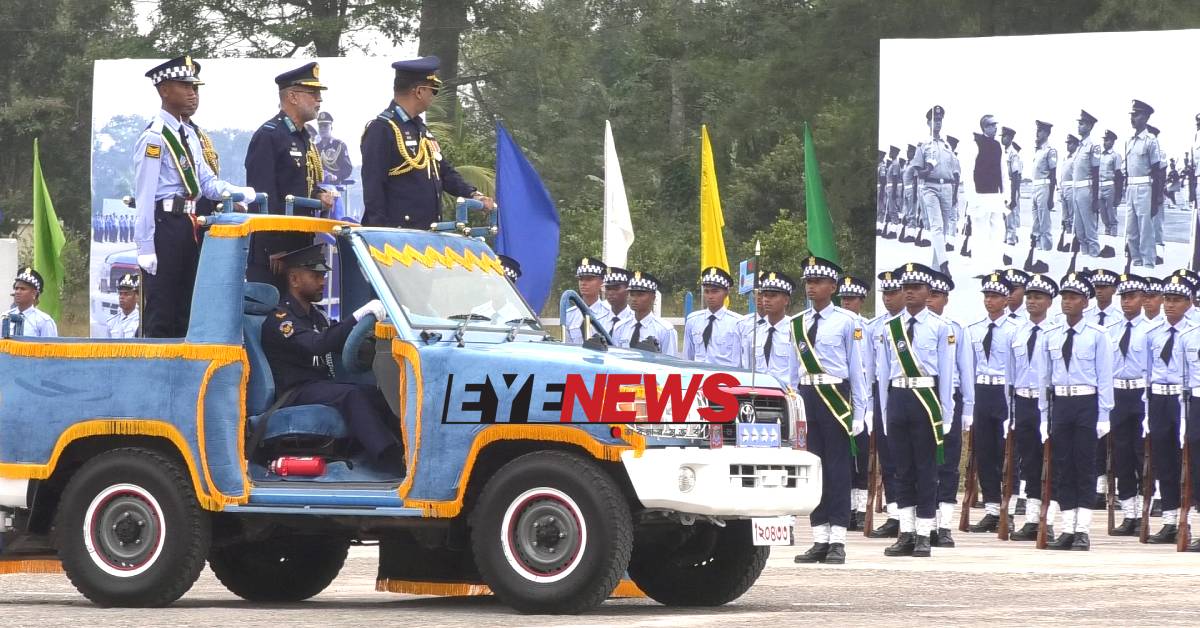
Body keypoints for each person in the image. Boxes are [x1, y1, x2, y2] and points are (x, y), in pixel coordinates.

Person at [134, 55, 256, 338]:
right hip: (164, 222)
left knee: (187, 304)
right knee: (163, 305)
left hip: (190, 223)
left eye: (196, 88)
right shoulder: (156, 137)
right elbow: (145, 196)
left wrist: (239, 192)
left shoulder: (188, 134)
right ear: (164, 90)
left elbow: (207, 183)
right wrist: (145, 246)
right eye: (185, 87)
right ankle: (156, 372)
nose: (193, 94)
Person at [260, 244, 399, 467]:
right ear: (294, 279)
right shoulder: (282, 319)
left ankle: (405, 450)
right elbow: (317, 345)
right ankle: (388, 459)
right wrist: (357, 316)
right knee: (351, 394)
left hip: (319, 386)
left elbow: (339, 340)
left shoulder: (317, 316)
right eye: (315, 276)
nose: (323, 282)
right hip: (295, 392)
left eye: (323, 275)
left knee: (379, 394)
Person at [873, 263, 955, 557]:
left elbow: (946, 375)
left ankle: (924, 532)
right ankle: (905, 532)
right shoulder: (888, 328)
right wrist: (882, 412)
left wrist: (946, 414)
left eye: (916, 288)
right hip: (898, 397)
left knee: (926, 469)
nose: (909, 293)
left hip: (925, 399)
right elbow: (883, 375)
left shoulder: (940, 328)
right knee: (900, 469)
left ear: (928, 292)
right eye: (905, 288)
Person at [792, 257, 868, 565]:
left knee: (837, 469)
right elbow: (789, 373)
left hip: (836, 395)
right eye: (808, 281)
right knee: (815, 468)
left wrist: (861, 412)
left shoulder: (847, 322)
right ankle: (819, 537)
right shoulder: (797, 323)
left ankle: (838, 537)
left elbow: (857, 370)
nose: (811, 286)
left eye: (818, 281)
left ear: (832, 287)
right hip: (807, 394)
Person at [360, 56, 494, 228]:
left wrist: (473, 194)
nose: (434, 95)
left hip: (426, 232)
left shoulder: (421, 129)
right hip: (397, 234)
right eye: (434, 89)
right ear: (419, 91)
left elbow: (444, 172)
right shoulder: (382, 129)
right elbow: (374, 188)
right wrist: (379, 233)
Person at [1034, 272, 1114, 551]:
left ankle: (1083, 529)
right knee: (1062, 466)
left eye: (1073, 298)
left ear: (1085, 302)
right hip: (1062, 404)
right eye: (1064, 297)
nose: (1067, 302)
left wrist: (1104, 414)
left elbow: (1105, 377)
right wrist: (1044, 415)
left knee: (1085, 465)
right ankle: (1067, 527)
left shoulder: (1098, 335)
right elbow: (1044, 379)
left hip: (1087, 403)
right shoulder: (1051, 334)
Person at [244, 62, 335, 286]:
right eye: (313, 93)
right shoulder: (270, 135)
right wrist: (274, 248)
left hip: (301, 243)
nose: (319, 100)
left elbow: (298, 185)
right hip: (276, 251)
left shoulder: (303, 137)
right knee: (276, 315)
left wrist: (318, 195)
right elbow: (262, 196)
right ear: (293, 97)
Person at [1007, 274, 1060, 540]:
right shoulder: (1017, 331)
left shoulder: (1057, 330)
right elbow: (1011, 374)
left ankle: (1047, 519)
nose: (1031, 302)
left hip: (1048, 403)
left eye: (1038, 297)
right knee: (1027, 461)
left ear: (1050, 301)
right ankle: (1031, 518)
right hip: (1023, 401)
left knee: (1049, 461)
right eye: (1029, 296)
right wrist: (1011, 410)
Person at [1143, 275, 1196, 543]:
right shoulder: (1153, 332)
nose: (1169, 305)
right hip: (1159, 400)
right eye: (1167, 300)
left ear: (1189, 303)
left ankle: (1190, 519)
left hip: (1184, 399)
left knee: (1190, 459)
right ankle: (1170, 520)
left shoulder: (1194, 331)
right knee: (1164, 459)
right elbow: (1147, 372)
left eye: (1176, 301)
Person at [924, 270, 974, 547]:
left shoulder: (956, 328)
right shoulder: (914, 327)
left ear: (945, 299)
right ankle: (925, 522)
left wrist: (968, 406)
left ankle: (944, 525)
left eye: (936, 295)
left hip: (949, 400)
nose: (930, 301)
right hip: (923, 395)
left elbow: (965, 370)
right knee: (924, 462)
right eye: (927, 294)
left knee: (948, 463)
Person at [964, 273, 1017, 533]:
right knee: (984, 452)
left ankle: (1011, 507)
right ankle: (992, 509)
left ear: (1006, 299)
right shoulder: (974, 329)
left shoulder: (1016, 329)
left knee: (1007, 452)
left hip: (1004, 392)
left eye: (995, 296)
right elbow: (968, 368)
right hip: (981, 392)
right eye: (986, 296)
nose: (989, 301)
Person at [1107, 273, 1154, 535]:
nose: (1127, 302)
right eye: (1123, 297)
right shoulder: (1110, 330)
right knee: (1121, 455)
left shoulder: (1151, 330)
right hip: (1118, 395)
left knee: (1142, 454)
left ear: (1144, 299)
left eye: (1132, 297)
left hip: (1140, 394)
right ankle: (1129, 512)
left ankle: (1145, 510)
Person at [867, 270, 906, 538]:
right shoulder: (874, 327)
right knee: (888, 458)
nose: (888, 299)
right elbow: (868, 368)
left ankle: (911, 514)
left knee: (910, 458)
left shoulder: (916, 324)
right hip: (882, 393)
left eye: (893, 293)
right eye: (885, 294)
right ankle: (894, 513)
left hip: (908, 392)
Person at [837, 274, 872, 530]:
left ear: (861, 300)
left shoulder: (867, 328)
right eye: (843, 299)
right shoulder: (839, 324)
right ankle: (847, 507)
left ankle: (862, 507)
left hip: (863, 396)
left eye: (851, 299)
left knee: (862, 453)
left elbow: (870, 367)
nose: (846, 303)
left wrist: (867, 408)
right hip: (841, 395)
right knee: (844, 455)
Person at [912, 106, 959, 274]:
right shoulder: (923, 145)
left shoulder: (947, 146)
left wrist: (954, 194)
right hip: (930, 187)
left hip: (946, 187)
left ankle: (935, 268)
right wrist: (928, 168)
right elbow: (917, 173)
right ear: (928, 122)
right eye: (934, 120)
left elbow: (954, 172)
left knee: (943, 229)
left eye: (940, 120)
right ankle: (944, 265)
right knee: (937, 227)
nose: (937, 123)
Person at [740, 271, 799, 388]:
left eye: (773, 295)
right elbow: (747, 368)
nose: (766, 299)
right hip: (758, 393)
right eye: (765, 295)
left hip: (787, 393)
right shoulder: (754, 333)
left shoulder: (796, 330)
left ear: (786, 300)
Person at [1125, 100, 1163, 269]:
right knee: (1131, 230)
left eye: (1137, 114)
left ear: (1146, 117)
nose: (1133, 118)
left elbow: (1157, 171)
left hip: (1145, 188)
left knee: (1145, 228)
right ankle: (1136, 262)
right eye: (1132, 115)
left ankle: (1148, 263)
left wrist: (1156, 198)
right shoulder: (1129, 141)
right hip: (1131, 188)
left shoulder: (1151, 140)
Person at [683, 266, 742, 367]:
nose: (710, 296)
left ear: (726, 293)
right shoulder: (693, 320)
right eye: (706, 291)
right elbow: (688, 356)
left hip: (724, 379)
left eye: (715, 291)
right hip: (698, 377)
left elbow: (739, 361)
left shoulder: (737, 323)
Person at [971, 114, 1007, 272]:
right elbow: (970, 171)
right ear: (984, 127)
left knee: (998, 230)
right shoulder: (975, 144)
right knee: (980, 231)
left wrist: (1005, 194)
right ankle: (980, 267)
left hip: (995, 194)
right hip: (980, 194)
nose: (995, 128)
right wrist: (972, 197)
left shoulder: (998, 146)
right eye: (992, 125)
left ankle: (996, 263)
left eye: (995, 125)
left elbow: (1003, 172)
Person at [612, 271, 678, 356]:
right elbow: (614, 359)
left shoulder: (664, 330)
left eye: (640, 295)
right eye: (632, 294)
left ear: (653, 298)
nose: (634, 299)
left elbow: (670, 362)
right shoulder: (620, 327)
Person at [1071, 110, 1103, 258]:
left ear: (1090, 126)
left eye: (1082, 124)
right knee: (1079, 229)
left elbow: (1096, 173)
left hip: (1087, 190)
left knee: (1089, 227)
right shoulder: (1079, 147)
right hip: (1076, 190)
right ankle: (1085, 257)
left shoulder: (1093, 146)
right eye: (1079, 123)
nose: (1079, 126)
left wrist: (1095, 198)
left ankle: (1094, 256)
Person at [563, 257, 613, 344]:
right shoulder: (570, 315)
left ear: (601, 282)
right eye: (581, 279)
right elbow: (567, 347)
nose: (583, 283)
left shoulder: (610, 313)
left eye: (589, 279)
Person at [1027, 121, 1058, 252]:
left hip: (1044, 188)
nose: (1037, 133)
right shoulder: (1038, 151)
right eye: (1037, 130)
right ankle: (1037, 246)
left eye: (1040, 130)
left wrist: (1051, 197)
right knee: (1035, 221)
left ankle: (1047, 247)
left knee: (1044, 221)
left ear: (1046, 133)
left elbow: (1053, 174)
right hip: (1035, 188)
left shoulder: (1050, 151)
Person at [5, 268, 57, 337]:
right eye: (16, 288)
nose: (17, 292)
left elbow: (50, 346)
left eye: (23, 289)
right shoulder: (5, 317)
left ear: (34, 294)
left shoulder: (44, 321)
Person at [315, 111, 354, 185]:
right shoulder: (315, 147)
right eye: (320, 126)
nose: (323, 129)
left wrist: (336, 176)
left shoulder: (339, 145)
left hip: (335, 186)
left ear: (331, 128)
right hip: (318, 185)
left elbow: (347, 168)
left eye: (326, 126)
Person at [1099, 130, 1123, 238]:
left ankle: (1113, 234)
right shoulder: (1100, 156)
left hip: (1110, 186)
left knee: (1111, 211)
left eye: (1107, 140)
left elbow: (1118, 175)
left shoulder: (1115, 156)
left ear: (1113, 142)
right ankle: (1107, 230)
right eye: (1104, 140)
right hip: (1100, 186)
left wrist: (1118, 195)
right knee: (1102, 212)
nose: (1105, 143)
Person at [1001, 126, 1022, 247]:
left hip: (1010, 186)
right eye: (1002, 136)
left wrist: (1013, 197)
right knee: (1004, 215)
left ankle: (1011, 240)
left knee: (1010, 216)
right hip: (1002, 186)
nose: (1003, 138)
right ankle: (1006, 238)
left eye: (1005, 136)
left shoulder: (1013, 154)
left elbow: (1015, 176)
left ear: (1010, 138)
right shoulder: (1002, 153)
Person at [106, 273, 141, 339]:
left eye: (126, 294)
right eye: (120, 293)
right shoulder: (111, 322)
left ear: (135, 296)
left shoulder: (141, 321)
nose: (121, 297)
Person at [604, 266, 634, 337]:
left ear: (628, 290)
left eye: (616, 288)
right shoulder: (598, 320)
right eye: (608, 288)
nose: (611, 293)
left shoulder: (635, 321)